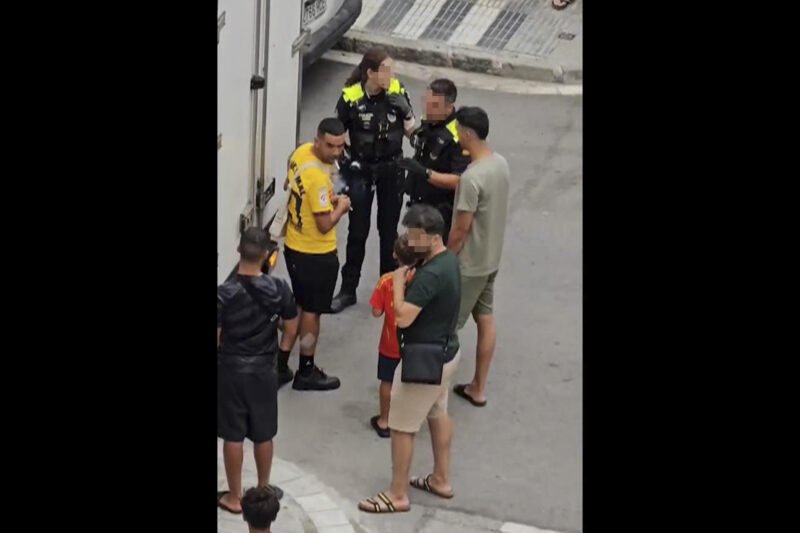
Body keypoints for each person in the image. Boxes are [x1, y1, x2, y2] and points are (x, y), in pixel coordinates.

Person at [358, 205, 462, 514]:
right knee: (437, 413)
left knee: (402, 427)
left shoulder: (429, 274)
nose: (407, 240)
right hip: (446, 353)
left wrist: (399, 283)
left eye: (413, 236)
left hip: (423, 361)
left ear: (431, 238)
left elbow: (402, 318)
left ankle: (398, 494)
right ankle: (441, 479)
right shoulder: (449, 261)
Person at [330, 46, 417, 313]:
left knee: (388, 232)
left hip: (391, 169)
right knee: (357, 232)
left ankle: (387, 289)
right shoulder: (351, 97)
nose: (391, 75)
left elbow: (413, 135)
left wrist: (407, 113)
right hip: (361, 171)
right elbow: (334, 135)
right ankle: (348, 290)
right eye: (385, 70)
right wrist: (345, 164)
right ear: (370, 72)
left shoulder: (398, 92)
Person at [217, 228, 298, 514]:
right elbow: (291, 325)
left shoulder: (223, 293)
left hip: (231, 370)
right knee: (263, 433)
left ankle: (235, 497)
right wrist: (281, 357)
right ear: (267, 255)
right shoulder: (279, 289)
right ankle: (263, 489)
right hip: (264, 370)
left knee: (233, 434)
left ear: (239, 250)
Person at [278, 118, 351, 391]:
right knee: (312, 312)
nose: (336, 152)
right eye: (331, 146)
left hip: (294, 246)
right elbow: (324, 224)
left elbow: (294, 185)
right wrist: (341, 206)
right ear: (318, 140)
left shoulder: (301, 154)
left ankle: (280, 363)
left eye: (341, 146)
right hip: (316, 254)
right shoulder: (319, 178)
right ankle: (306, 370)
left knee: (299, 304)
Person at [447, 107, 510, 408]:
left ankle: (433, 394)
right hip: (491, 259)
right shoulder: (500, 163)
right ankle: (478, 387)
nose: (457, 134)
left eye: (458, 130)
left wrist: (445, 259)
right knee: (485, 318)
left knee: (447, 328)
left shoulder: (472, 178)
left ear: (469, 134)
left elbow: (461, 228)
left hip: (468, 265)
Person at [398, 78, 471, 244]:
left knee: (429, 259)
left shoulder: (457, 136)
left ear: (449, 107)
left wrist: (425, 173)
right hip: (419, 205)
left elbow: (458, 180)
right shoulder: (431, 120)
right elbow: (419, 138)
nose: (428, 110)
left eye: (434, 106)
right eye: (427, 103)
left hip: (438, 212)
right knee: (414, 254)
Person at [369, 233, 421, 438]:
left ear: (394, 255)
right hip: (415, 344)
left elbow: (375, 312)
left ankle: (385, 420)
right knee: (412, 384)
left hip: (390, 344)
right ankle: (409, 420)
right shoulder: (422, 281)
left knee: (387, 382)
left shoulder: (386, 281)